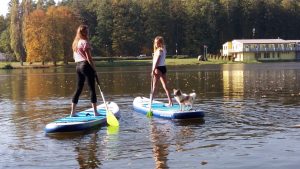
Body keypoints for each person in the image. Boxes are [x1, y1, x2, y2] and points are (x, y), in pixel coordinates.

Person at [70, 25, 100, 117]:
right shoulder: (85, 42)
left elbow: (75, 57)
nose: (88, 33)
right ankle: (95, 112)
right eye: (87, 32)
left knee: (78, 89)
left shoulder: (75, 43)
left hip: (78, 66)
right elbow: (89, 58)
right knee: (92, 89)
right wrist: (94, 70)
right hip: (86, 65)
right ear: (84, 33)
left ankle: (73, 113)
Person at [151, 36, 173, 106]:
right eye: (155, 43)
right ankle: (170, 101)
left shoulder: (159, 50)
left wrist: (153, 69)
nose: (156, 44)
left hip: (158, 68)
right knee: (165, 85)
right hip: (163, 68)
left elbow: (157, 61)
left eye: (157, 43)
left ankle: (150, 102)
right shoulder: (164, 49)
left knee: (154, 86)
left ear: (160, 43)